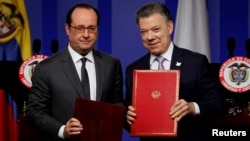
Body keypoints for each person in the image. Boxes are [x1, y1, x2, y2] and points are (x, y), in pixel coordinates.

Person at [124, 2, 226, 141]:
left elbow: (218, 103)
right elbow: (128, 115)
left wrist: (192, 107)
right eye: (144, 32)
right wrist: (128, 117)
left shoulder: (195, 62)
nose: (149, 37)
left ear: (170, 27)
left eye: (155, 29)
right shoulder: (133, 69)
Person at [26, 3, 124, 141]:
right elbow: (34, 111)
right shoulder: (46, 68)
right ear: (67, 29)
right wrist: (62, 130)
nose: (86, 34)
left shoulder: (112, 64)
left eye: (91, 28)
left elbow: (117, 105)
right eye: (80, 28)